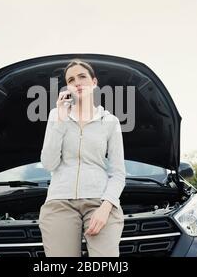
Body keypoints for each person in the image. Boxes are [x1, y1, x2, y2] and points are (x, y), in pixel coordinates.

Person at [39, 58, 126, 257]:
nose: (77, 82)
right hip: (59, 201)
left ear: (94, 82)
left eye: (82, 77)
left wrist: (106, 207)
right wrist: (60, 121)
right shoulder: (56, 116)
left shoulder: (110, 122)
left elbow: (118, 173)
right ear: (67, 87)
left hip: (99, 201)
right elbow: (49, 163)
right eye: (71, 80)